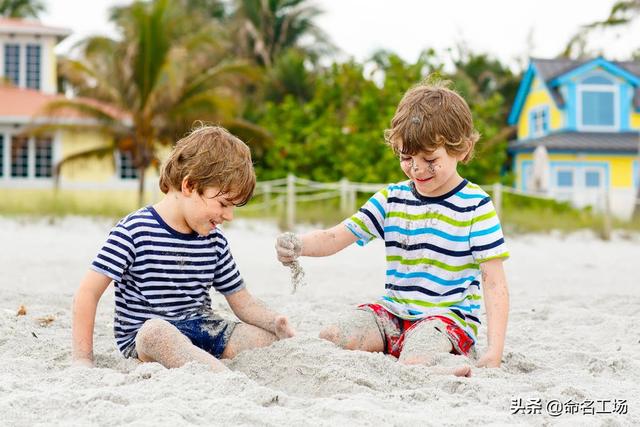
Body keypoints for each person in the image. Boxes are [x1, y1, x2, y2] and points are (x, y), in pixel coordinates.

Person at [275, 81, 509, 377]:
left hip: (445, 321)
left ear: (461, 150)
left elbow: (494, 282)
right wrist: (299, 246)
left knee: (416, 359)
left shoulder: (476, 206)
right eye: (406, 158)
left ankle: (449, 368)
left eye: (430, 159)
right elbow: (337, 236)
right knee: (333, 336)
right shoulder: (392, 198)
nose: (418, 169)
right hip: (392, 314)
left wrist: (494, 351)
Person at [72, 125, 295, 371]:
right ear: (189, 186)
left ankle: (205, 363)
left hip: (203, 329)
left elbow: (242, 301)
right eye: (223, 204)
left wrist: (275, 322)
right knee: (155, 332)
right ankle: (215, 372)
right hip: (149, 337)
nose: (229, 216)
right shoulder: (134, 230)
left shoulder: (214, 239)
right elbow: (87, 294)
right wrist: (83, 359)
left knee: (266, 341)